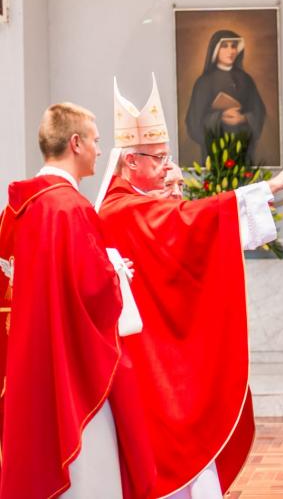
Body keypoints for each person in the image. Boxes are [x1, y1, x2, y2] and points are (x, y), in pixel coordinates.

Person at [97, 75, 283, 498]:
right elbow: (188, 224)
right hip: (146, 359)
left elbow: (183, 232)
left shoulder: (134, 206)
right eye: (159, 159)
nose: (166, 168)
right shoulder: (122, 210)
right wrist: (270, 187)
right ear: (131, 162)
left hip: (157, 348)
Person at [0, 103, 153, 498]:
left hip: (28, 366)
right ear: (75, 143)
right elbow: (95, 293)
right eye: (96, 141)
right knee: (87, 475)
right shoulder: (71, 208)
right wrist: (116, 271)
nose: (100, 151)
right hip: (72, 372)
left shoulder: (13, 210)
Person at [185, 30, 266, 166]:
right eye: (225, 46)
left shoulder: (246, 80)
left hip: (243, 152)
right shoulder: (204, 82)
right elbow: (194, 121)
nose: (230, 51)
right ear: (215, 50)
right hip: (215, 155)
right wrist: (220, 117)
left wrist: (244, 118)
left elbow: (259, 111)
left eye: (233, 46)